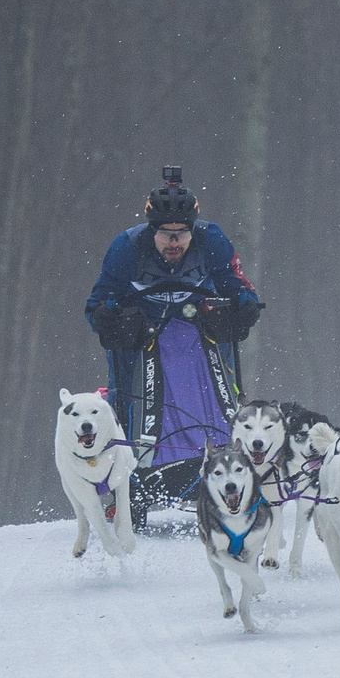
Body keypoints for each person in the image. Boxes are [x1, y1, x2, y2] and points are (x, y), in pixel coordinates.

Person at [84, 167, 263, 510]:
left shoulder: (212, 241)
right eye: (166, 234)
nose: (175, 242)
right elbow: (97, 303)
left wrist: (244, 305)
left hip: (199, 335)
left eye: (183, 233)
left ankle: (226, 465)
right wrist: (107, 316)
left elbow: (238, 285)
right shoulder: (126, 248)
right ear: (151, 231)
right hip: (143, 341)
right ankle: (129, 481)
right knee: (128, 391)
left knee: (213, 378)